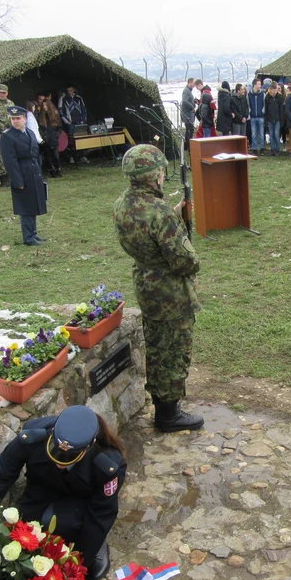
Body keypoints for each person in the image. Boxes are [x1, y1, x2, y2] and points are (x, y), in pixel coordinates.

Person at [0, 405, 126, 580]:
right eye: (57, 452)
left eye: (70, 457)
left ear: (88, 448)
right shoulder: (32, 437)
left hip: (79, 502)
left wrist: (79, 562)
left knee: (70, 537)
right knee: (28, 536)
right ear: (52, 434)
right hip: (42, 491)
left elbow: (102, 513)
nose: (60, 462)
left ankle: (97, 548)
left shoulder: (108, 465)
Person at [114, 145, 204, 432]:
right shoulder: (158, 212)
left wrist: (175, 214)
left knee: (156, 346)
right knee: (173, 351)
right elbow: (185, 260)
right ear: (155, 174)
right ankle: (168, 414)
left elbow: (148, 236)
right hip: (170, 292)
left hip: (146, 280)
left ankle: (163, 406)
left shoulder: (124, 202)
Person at [0, 105, 47, 246]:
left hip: (33, 173)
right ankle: (28, 237)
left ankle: (33, 233)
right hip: (22, 173)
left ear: (25, 119)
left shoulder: (30, 133)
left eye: (18, 118)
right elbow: (10, 161)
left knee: (34, 204)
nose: (16, 121)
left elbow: (36, 154)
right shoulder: (8, 136)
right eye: (13, 119)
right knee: (25, 207)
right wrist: (17, 181)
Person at [59, 85, 89, 164]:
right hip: (70, 123)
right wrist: (67, 122)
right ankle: (72, 156)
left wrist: (83, 120)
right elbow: (61, 112)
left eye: (71, 90)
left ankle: (82, 156)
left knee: (81, 139)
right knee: (71, 140)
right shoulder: (64, 99)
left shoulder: (79, 98)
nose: (70, 92)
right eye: (68, 90)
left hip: (80, 122)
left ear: (74, 90)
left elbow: (83, 109)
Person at [36, 94, 63, 178]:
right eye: (43, 105)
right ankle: (51, 170)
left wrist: (56, 135)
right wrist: (44, 136)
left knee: (56, 156)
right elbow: (39, 128)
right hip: (46, 139)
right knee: (48, 157)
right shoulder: (40, 117)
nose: (44, 107)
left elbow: (59, 127)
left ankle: (58, 169)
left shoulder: (55, 115)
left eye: (45, 105)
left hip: (54, 138)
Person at [263, 83, 284, 156]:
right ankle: (272, 149)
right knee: (271, 135)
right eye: (274, 90)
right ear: (270, 90)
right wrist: (266, 119)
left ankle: (277, 149)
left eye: (276, 90)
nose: (275, 92)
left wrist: (281, 119)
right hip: (270, 118)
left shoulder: (279, 97)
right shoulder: (267, 97)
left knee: (276, 134)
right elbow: (266, 109)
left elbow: (281, 109)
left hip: (277, 118)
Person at [247, 79, 265, 155]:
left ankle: (261, 149)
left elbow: (264, 104)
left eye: (260, 84)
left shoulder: (262, 94)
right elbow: (248, 104)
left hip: (260, 116)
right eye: (258, 84)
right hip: (253, 116)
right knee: (253, 134)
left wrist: (262, 111)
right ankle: (254, 148)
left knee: (261, 133)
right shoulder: (249, 94)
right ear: (254, 85)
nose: (259, 86)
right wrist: (250, 112)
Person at [181, 78, 197, 149]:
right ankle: (189, 146)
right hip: (187, 114)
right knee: (190, 129)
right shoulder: (186, 91)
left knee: (188, 130)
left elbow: (188, 100)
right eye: (194, 83)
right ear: (190, 82)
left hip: (188, 114)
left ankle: (186, 146)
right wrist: (192, 107)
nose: (194, 85)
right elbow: (184, 101)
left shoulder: (188, 91)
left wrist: (194, 101)